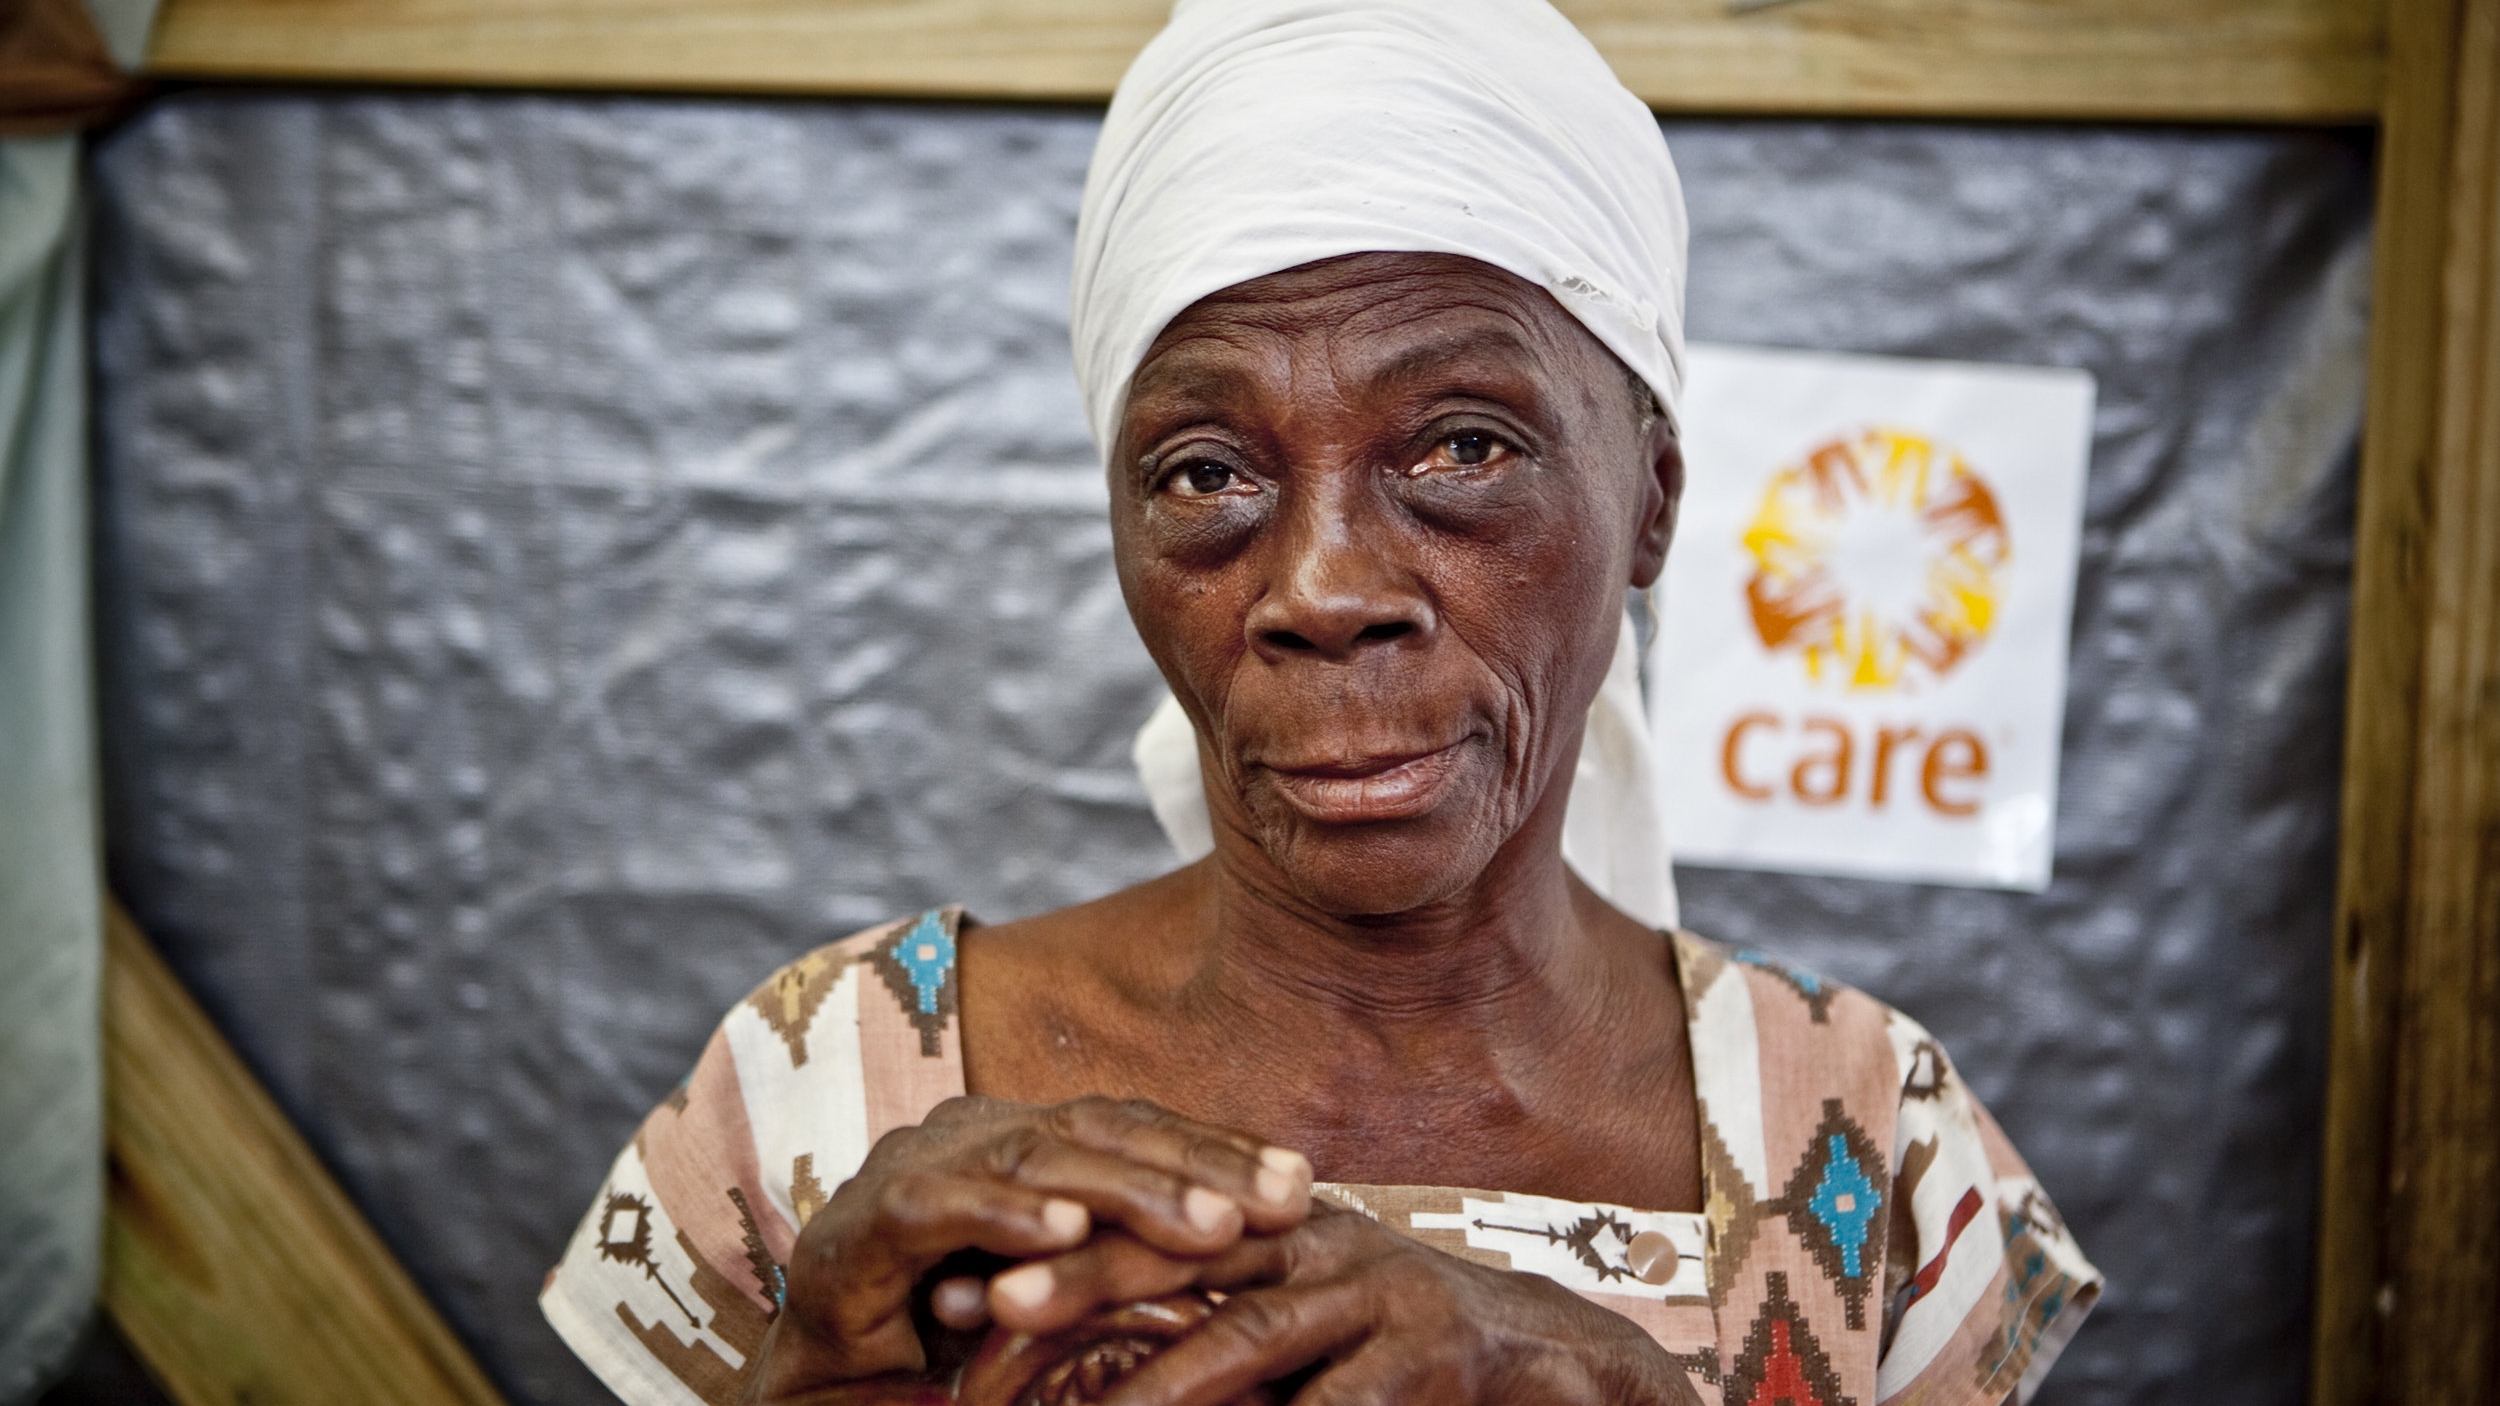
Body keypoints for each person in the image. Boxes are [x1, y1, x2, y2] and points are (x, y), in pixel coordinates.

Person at [540, 2, 2100, 1403]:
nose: (1323, 586)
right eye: (1206, 473)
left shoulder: (1867, 1134)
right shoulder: (823, 1097)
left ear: (1653, 501)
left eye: (1462, 448)